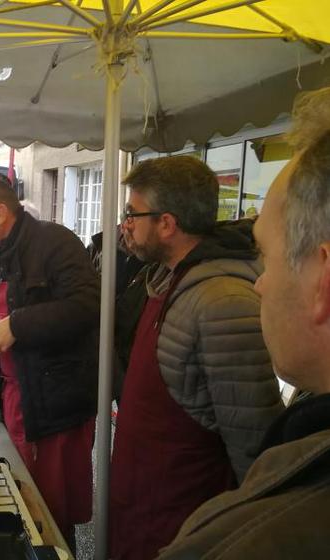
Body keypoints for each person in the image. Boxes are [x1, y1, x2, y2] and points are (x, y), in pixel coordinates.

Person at [156, 87, 330, 560]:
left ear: (324, 285)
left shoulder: (258, 538)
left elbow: (247, 426)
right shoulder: (159, 278)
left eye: (266, 256)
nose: (261, 284)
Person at [110, 155, 285, 560]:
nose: (125, 224)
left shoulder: (222, 302)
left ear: (167, 223)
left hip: (184, 522)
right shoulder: (162, 275)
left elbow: (252, 439)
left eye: (132, 213)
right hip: (141, 502)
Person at [0, 176, 100, 542]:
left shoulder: (55, 242)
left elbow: (87, 306)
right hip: (14, 397)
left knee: (49, 513)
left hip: (54, 404)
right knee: (22, 500)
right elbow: (1, 314)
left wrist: (18, 325)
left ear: (1, 212)